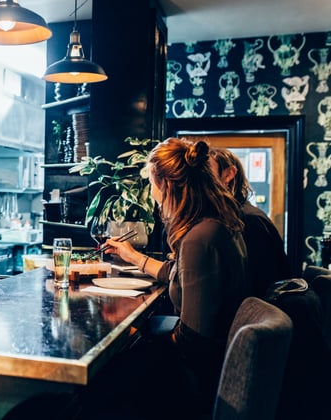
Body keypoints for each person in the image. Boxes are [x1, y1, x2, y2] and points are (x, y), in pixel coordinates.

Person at [86, 138, 250, 419]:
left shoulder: (201, 238)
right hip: (210, 367)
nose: (151, 193)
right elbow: (180, 275)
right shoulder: (214, 226)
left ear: (167, 185)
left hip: (192, 382)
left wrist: (134, 335)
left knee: (101, 379)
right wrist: (132, 256)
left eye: (151, 184)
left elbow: (193, 343)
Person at [210, 147, 292, 297]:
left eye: (207, 172)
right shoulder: (239, 214)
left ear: (229, 174)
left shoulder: (247, 219)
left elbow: (259, 286)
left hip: (259, 315)